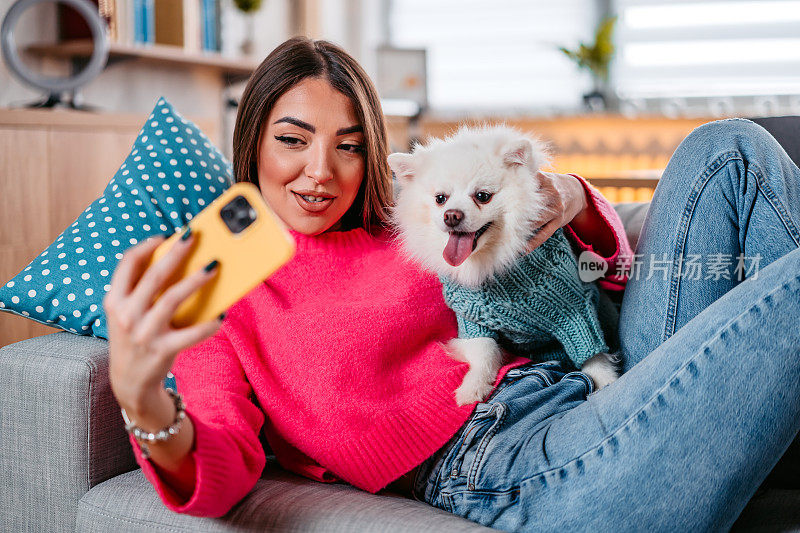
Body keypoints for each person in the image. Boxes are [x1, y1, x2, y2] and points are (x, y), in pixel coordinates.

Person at [104, 36, 800, 531]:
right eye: (293, 138)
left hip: (598, 366)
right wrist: (143, 399)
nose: (320, 170)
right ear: (252, 139)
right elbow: (220, 470)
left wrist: (571, 197)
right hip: (509, 455)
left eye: (347, 145)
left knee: (728, 150)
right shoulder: (223, 296)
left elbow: (599, 269)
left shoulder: (415, 217)